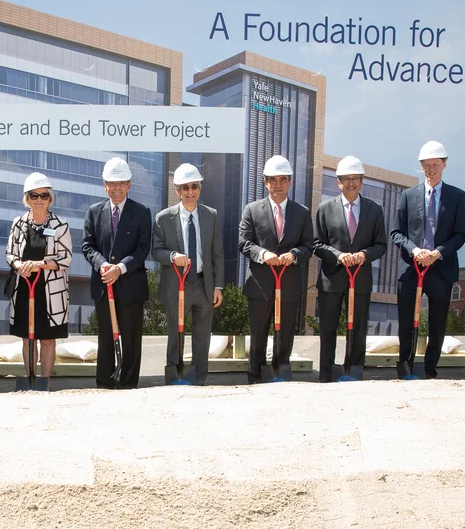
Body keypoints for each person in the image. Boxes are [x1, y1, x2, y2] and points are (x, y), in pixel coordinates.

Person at [390, 140, 465, 379]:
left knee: (437, 324)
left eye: (435, 164)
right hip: (411, 268)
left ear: (444, 164)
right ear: (421, 167)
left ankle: (430, 372)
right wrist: (415, 250)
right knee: (407, 322)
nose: (431, 169)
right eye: (426, 165)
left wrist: (438, 252)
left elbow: (460, 234)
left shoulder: (457, 196)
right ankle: (405, 367)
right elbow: (396, 233)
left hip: (441, 268)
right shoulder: (408, 195)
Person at [237, 155, 313, 383]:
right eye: (272, 180)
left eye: (282, 179)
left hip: (288, 284)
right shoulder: (252, 210)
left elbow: (309, 244)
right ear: (264, 181)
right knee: (258, 334)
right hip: (260, 286)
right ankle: (255, 377)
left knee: (286, 333)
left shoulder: (302, 212)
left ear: (290, 181)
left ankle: (281, 374)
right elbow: (243, 242)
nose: (277, 185)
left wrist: (295, 254)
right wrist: (263, 254)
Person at [312, 156, 387, 382]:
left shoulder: (374, 210)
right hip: (331, 279)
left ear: (362, 181)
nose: (351, 183)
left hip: (360, 279)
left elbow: (381, 245)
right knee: (328, 329)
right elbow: (317, 244)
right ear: (338, 182)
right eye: (346, 178)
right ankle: (326, 375)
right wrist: (339, 256)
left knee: (358, 328)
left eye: (355, 178)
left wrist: (364, 255)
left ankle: (354, 372)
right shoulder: (325, 209)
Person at [151, 163, 225, 385]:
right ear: (177, 191)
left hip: (204, 285)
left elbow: (218, 254)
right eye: (185, 188)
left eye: (194, 186)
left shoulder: (210, 215)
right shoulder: (163, 218)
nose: (190, 192)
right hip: (177, 285)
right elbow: (156, 251)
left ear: (200, 188)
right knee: (176, 335)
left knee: (203, 337)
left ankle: (199, 381)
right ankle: (175, 379)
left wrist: (218, 286)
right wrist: (173, 256)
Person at [82, 157, 151, 389]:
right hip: (103, 286)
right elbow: (87, 246)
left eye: (121, 183)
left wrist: (119, 269)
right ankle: (105, 383)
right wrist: (102, 264)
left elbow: (143, 249)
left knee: (131, 339)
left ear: (129, 185)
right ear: (105, 185)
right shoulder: (94, 212)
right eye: (112, 183)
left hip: (131, 286)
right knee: (105, 339)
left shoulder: (141, 212)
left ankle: (129, 383)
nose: (117, 188)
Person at [5, 172, 72, 382]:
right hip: (24, 288)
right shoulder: (19, 223)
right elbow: (10, 254)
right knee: (27, 339)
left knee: (48, 339)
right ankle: (30, 380)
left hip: (50, 290)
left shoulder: (60, 225)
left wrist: (40, 265)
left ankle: (45, 383)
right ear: (27, 198)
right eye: (34, 196)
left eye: (44, 195)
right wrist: (18, 265)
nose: (39, 200)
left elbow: (66, 258)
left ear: (50, 197)